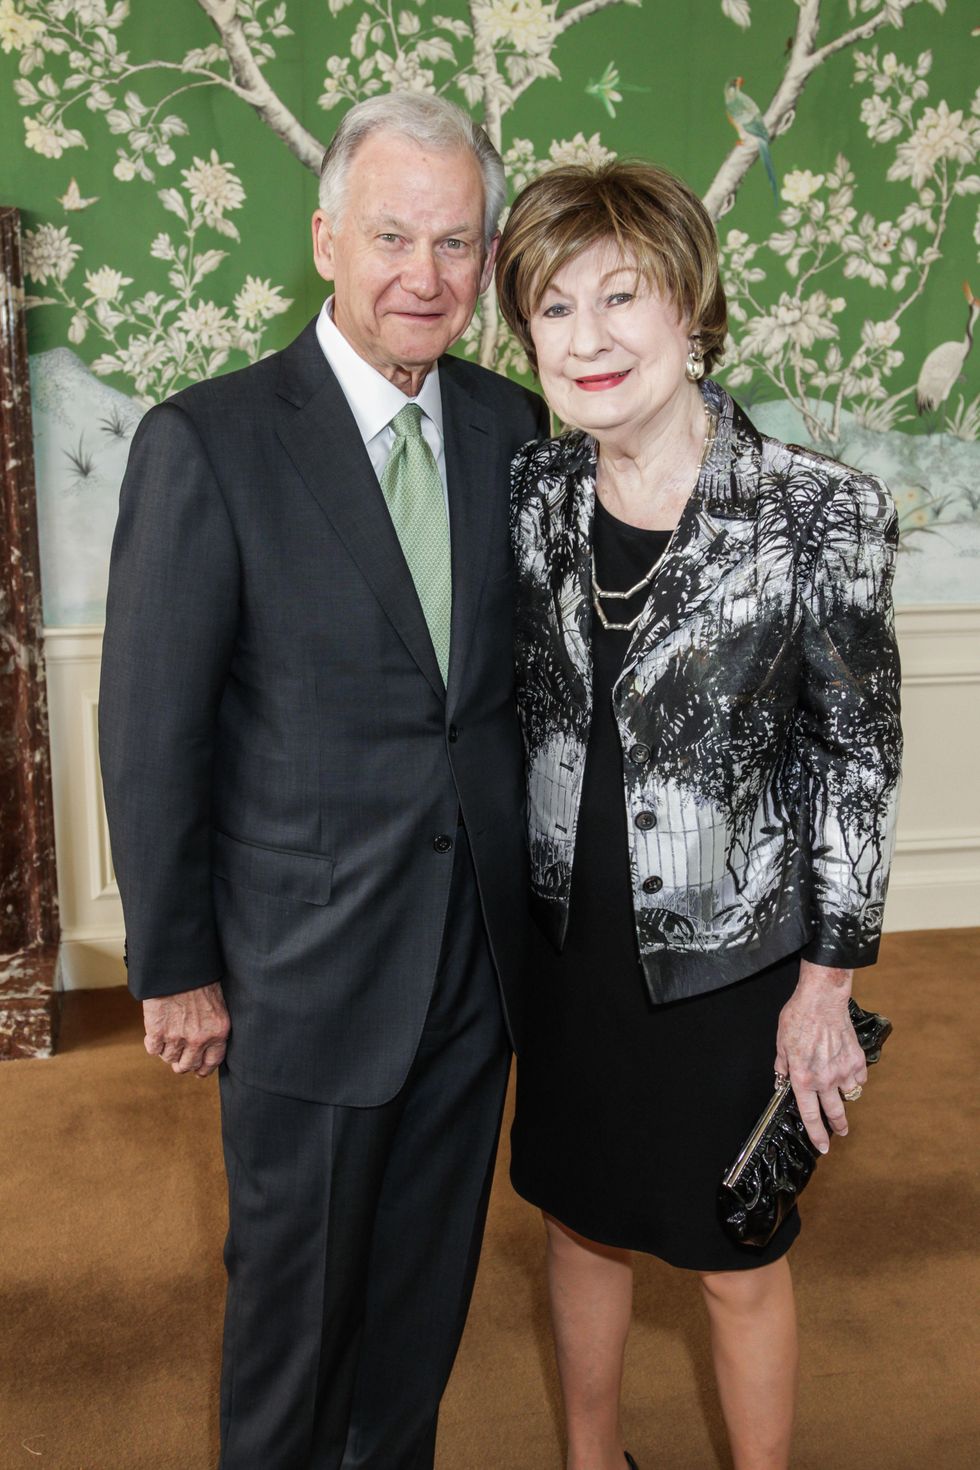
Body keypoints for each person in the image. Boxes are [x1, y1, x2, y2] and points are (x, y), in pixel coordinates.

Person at [99, 92, 548, 1470]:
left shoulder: (511, 425)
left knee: (420, 1313)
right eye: (393, 235)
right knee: (294, 1326)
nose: (426, 274)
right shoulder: (210, 441)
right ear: (326, 241)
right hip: (301, 968)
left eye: (457, 243)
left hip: (474, 968)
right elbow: (150, 722)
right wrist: (175, 962)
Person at [494, 160, 902, 1470]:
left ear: (692, 311)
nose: (589, 335)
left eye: (622, 295)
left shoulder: (815, 510)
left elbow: (858, 760)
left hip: (734, 959)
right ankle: (591, 1456)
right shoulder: (536, 495)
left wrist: (827, 982)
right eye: (554, 308)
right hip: (571, 946)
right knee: (579, 1217)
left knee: (737, 1247)